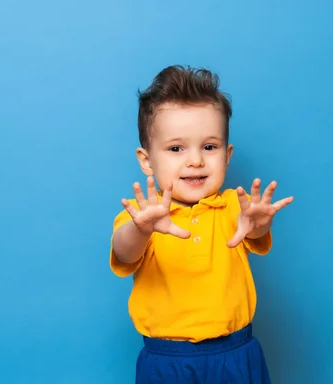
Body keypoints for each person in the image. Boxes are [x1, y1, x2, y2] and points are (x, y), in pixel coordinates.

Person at [110, 65, 293, 383]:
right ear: (146, 160)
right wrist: (141, 229)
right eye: (176, 148)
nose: (195, 160)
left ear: (227, 155)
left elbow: (251, 230)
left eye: (209, 147)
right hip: (168, 362)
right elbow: (124, 253)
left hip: (235, 355)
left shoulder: (234, 206)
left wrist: (259, 224)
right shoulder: (144, 215)